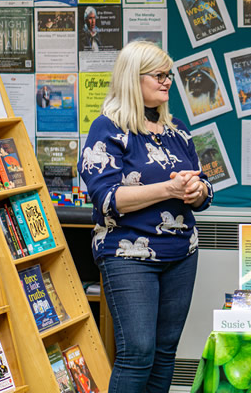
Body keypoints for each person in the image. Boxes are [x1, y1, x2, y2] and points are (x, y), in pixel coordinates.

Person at [77, 41, 213, 392]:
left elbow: (202, 186)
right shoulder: (107, 130)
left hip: (181, 254)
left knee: (164, 353)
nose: (167, 81)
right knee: (137, 353)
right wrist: (168, 190)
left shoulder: (177, 130)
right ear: (132, 78)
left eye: (169, 75)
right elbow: (107, 198)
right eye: (158, 75)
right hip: (128, 256)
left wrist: (197, 192)